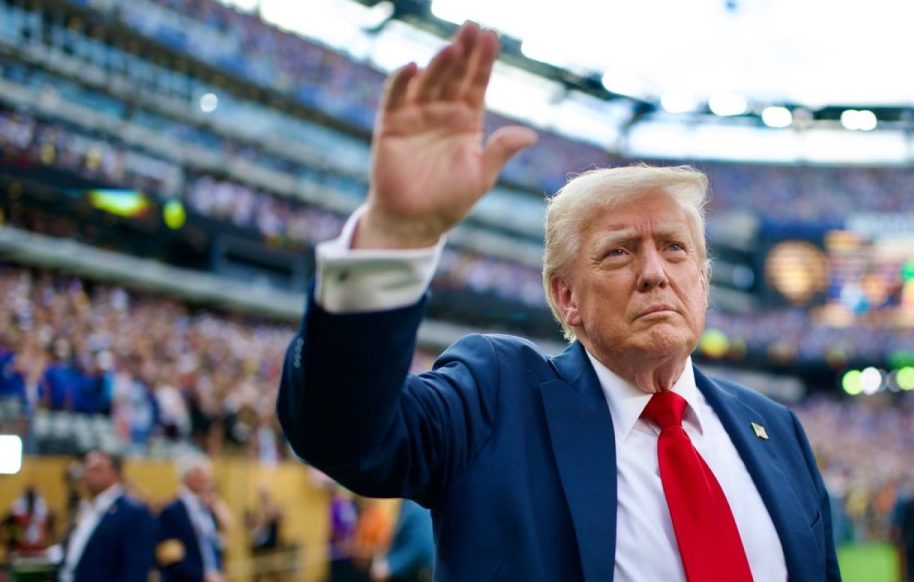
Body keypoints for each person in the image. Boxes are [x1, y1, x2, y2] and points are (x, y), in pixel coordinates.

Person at [276, 21, 840, 581]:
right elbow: (343, 433)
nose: (653, 273)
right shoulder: (497, 400)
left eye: (674, 248)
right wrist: (392, 238)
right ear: (565, 297)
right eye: (619, 253)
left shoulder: (776, 429)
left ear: (703, 279)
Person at [57, 450, 156, 582]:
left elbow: (135, 570)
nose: (88, 475)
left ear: (115, 474)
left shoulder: (133, 513)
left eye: (96, 470)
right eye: (86, 469)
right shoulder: (83, 508)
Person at [156, 455, 229, 582]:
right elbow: (170, 557)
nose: (208, 478)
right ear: (189, 476)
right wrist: (203, 576)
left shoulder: (207, 508)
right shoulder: (172, 511)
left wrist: (219, 571)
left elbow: (212, 544)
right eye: (203, 474)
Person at [370, 500, 434, 582]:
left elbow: (421, 546)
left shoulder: (416, 505)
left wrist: (391, 567)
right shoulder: (409, 503)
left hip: (419, 570)